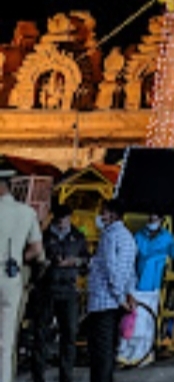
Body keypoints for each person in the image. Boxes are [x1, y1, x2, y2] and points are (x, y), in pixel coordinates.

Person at [117, 210, 174, 366]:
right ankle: (126, 354)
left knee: (147, 322)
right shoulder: (139, 236)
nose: (152, 221)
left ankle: (143, 354)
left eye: (155, 218)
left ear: (161, 220)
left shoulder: (167, 238)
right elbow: (131, 258)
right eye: (150, 218)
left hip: (153, 286)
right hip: (137, 284)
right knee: (133, 322)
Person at [30, 202, 88, 382]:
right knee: (41, 334)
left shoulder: (78, 237)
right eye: (60, 219)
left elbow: (87, 260)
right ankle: (38, 375)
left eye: (66, 219)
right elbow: (35, 260)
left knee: (69, 334)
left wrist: (74, 262)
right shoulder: (45, 237)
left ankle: (66, 375)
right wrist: (47, 263)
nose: (62, 223)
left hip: (69, 290)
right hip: (47, 290)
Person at [0, 156, 44, 382]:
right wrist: (17, 257)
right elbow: (37, 250)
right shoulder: (27, 213)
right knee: (6, 340)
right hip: (12, 275)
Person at [85, 197, 137, 382]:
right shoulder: (129, 237)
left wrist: (120, 296)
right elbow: (130, 270)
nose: (101, 216)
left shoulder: (109, 236)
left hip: (103, 302)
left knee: (100, 354)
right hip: (116, 303)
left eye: (104, 212)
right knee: (109, 351)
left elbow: (111, 268)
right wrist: (127, 295)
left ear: (113, 215)